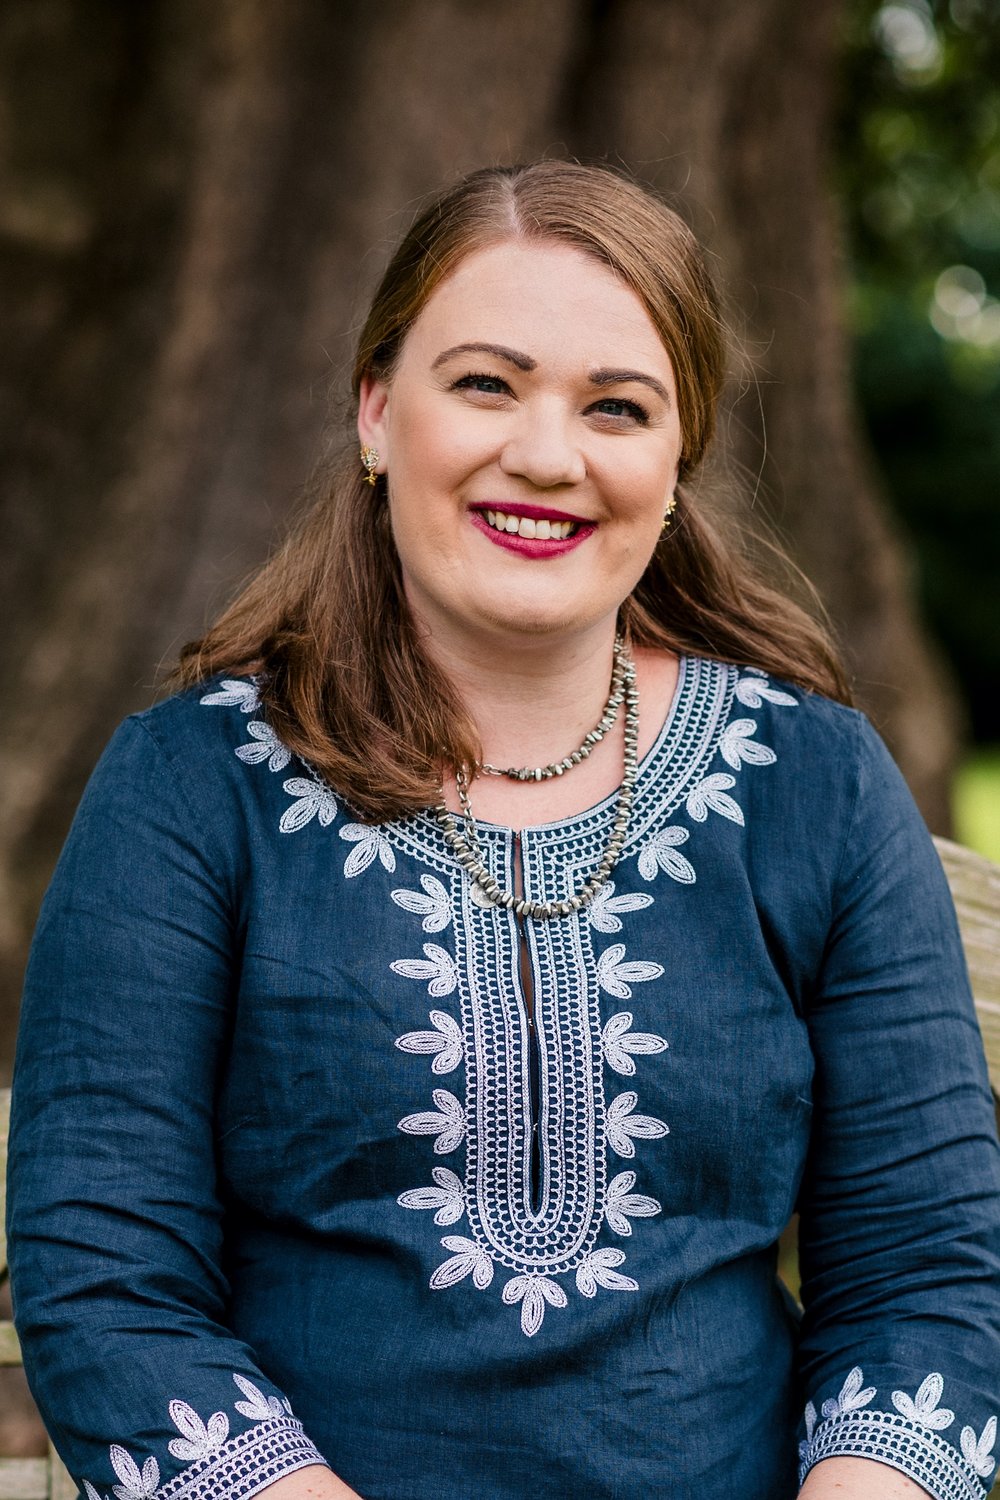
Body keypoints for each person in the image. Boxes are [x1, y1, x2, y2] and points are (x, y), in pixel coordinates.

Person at [6, 160, 1000, 1500]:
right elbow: (107, 1283)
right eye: (486, 383)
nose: (548, 453)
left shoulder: (813, 784)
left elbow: (929, 1280)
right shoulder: (194, 786)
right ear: (375, 412)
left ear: (676, 454)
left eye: (618, 407)